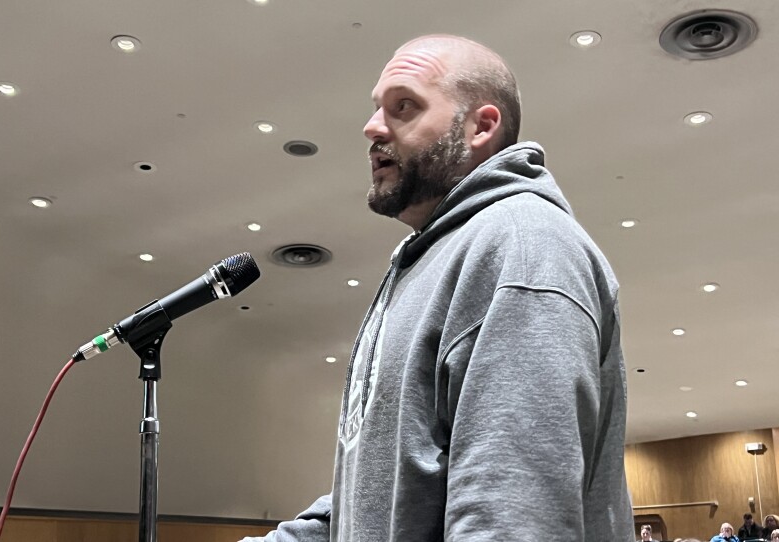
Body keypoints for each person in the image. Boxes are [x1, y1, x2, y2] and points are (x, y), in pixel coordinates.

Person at [241, 33, 633, 541]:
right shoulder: (430, 259)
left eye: (404, 106)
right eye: (377, 108)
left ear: (480, 127)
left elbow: (511, 517)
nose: (372, 127)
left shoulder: (521, 244)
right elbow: (385, 492)